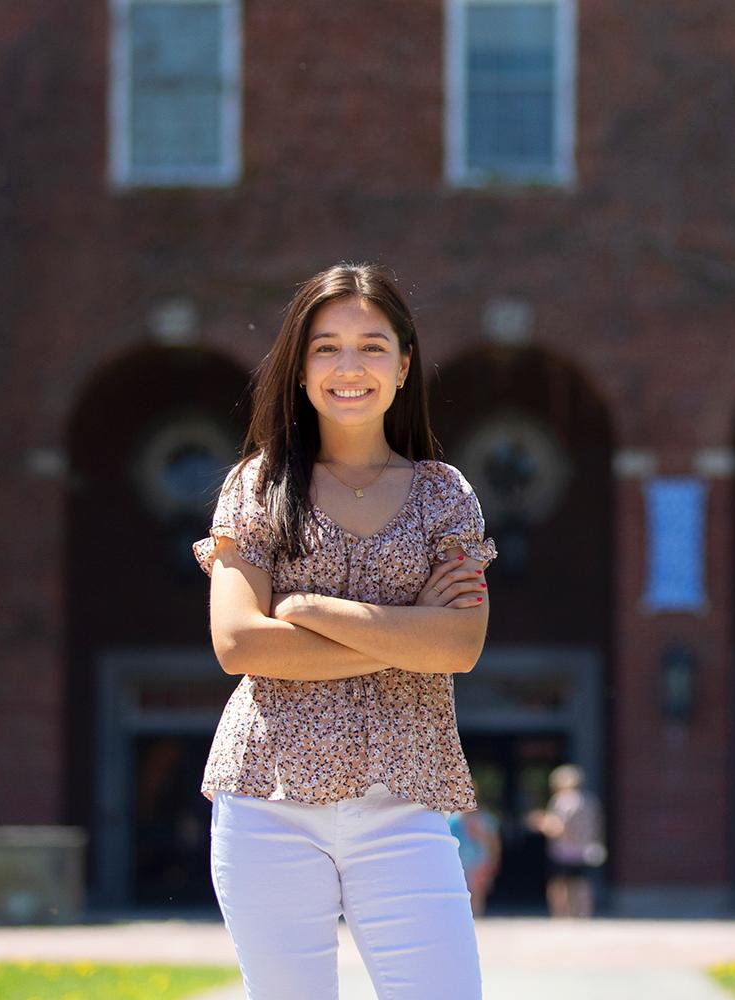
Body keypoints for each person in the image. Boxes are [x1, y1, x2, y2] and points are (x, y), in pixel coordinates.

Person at [191, 262, 497, 999]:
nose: (348, 367)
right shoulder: (258, 486)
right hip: (267, 798)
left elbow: (459, 646)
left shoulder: (443, 494)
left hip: (407, 802)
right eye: (326, 347)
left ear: (403, 365)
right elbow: (239, 645)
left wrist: (313, 612)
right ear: (299, 369)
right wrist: (405, 631)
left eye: (371, 345)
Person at [527, 764, 606, 919]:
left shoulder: (561, 801)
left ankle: (562, 916)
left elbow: (558, 827)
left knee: (559, 884)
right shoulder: (589, 801)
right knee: (582, 884)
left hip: (563, 851)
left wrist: (540, 823)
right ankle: (584, 915)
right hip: (585, 850)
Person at [448, 798, 502, 917]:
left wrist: (493, 862)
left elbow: (494, 843)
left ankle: (477, 922)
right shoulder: (452, 819)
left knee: (477, 893)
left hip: (479, 862)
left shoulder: (485, 819)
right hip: (458, 862)